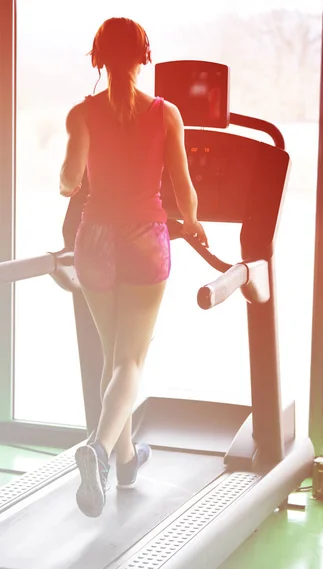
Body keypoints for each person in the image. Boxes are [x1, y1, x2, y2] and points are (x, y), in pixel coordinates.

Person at [59, 17, 208, 518]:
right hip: (146, 238)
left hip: (95, 238)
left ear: (97, 59)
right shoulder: (166, 114)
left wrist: (75, 175)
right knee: (129, 362)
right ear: (145, 58)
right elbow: (183, 189)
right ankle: (100, 450)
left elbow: (67, 181)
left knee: (112, 355)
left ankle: (125, 462)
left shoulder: (81, 114)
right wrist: (194, 222)